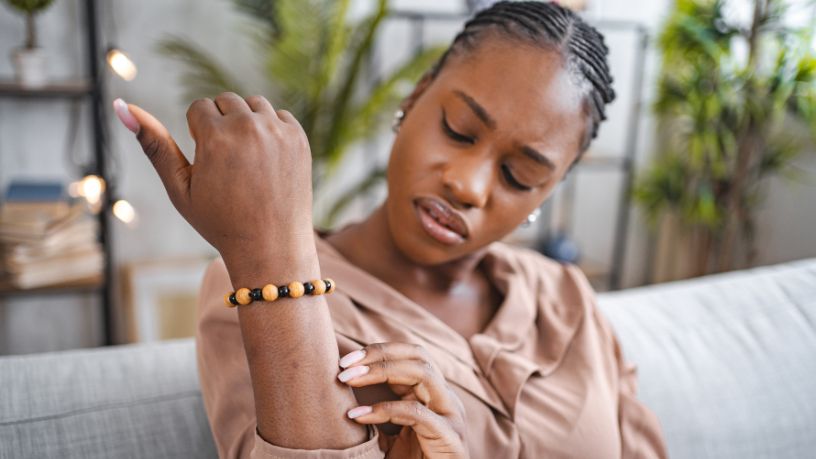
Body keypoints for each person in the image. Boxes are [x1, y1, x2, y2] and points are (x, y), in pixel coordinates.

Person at [114, 2, 667, 457]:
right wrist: (269, 250)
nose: (468, 186)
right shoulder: (258, 289)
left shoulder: (568, 300)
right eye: (458, 130)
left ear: (550, 189)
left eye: (519, 175)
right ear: (414, 95)